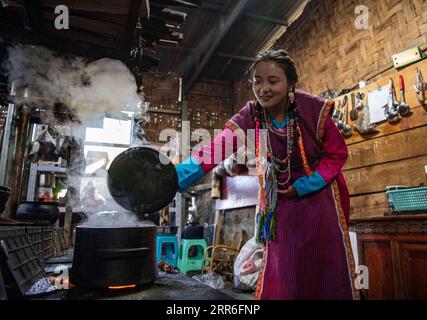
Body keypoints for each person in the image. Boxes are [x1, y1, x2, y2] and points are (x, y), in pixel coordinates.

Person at [175, 49, 359, 300]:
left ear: (290, 83)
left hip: (320, 198)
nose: (264, 89)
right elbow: (216, 147)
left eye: (273, 81)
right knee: (285, 268)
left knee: (323, 266)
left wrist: (304, 185)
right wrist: (175, 177)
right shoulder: (251, 114)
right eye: (257, 81)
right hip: (280, 201)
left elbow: (336, 154)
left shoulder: (312, 110)